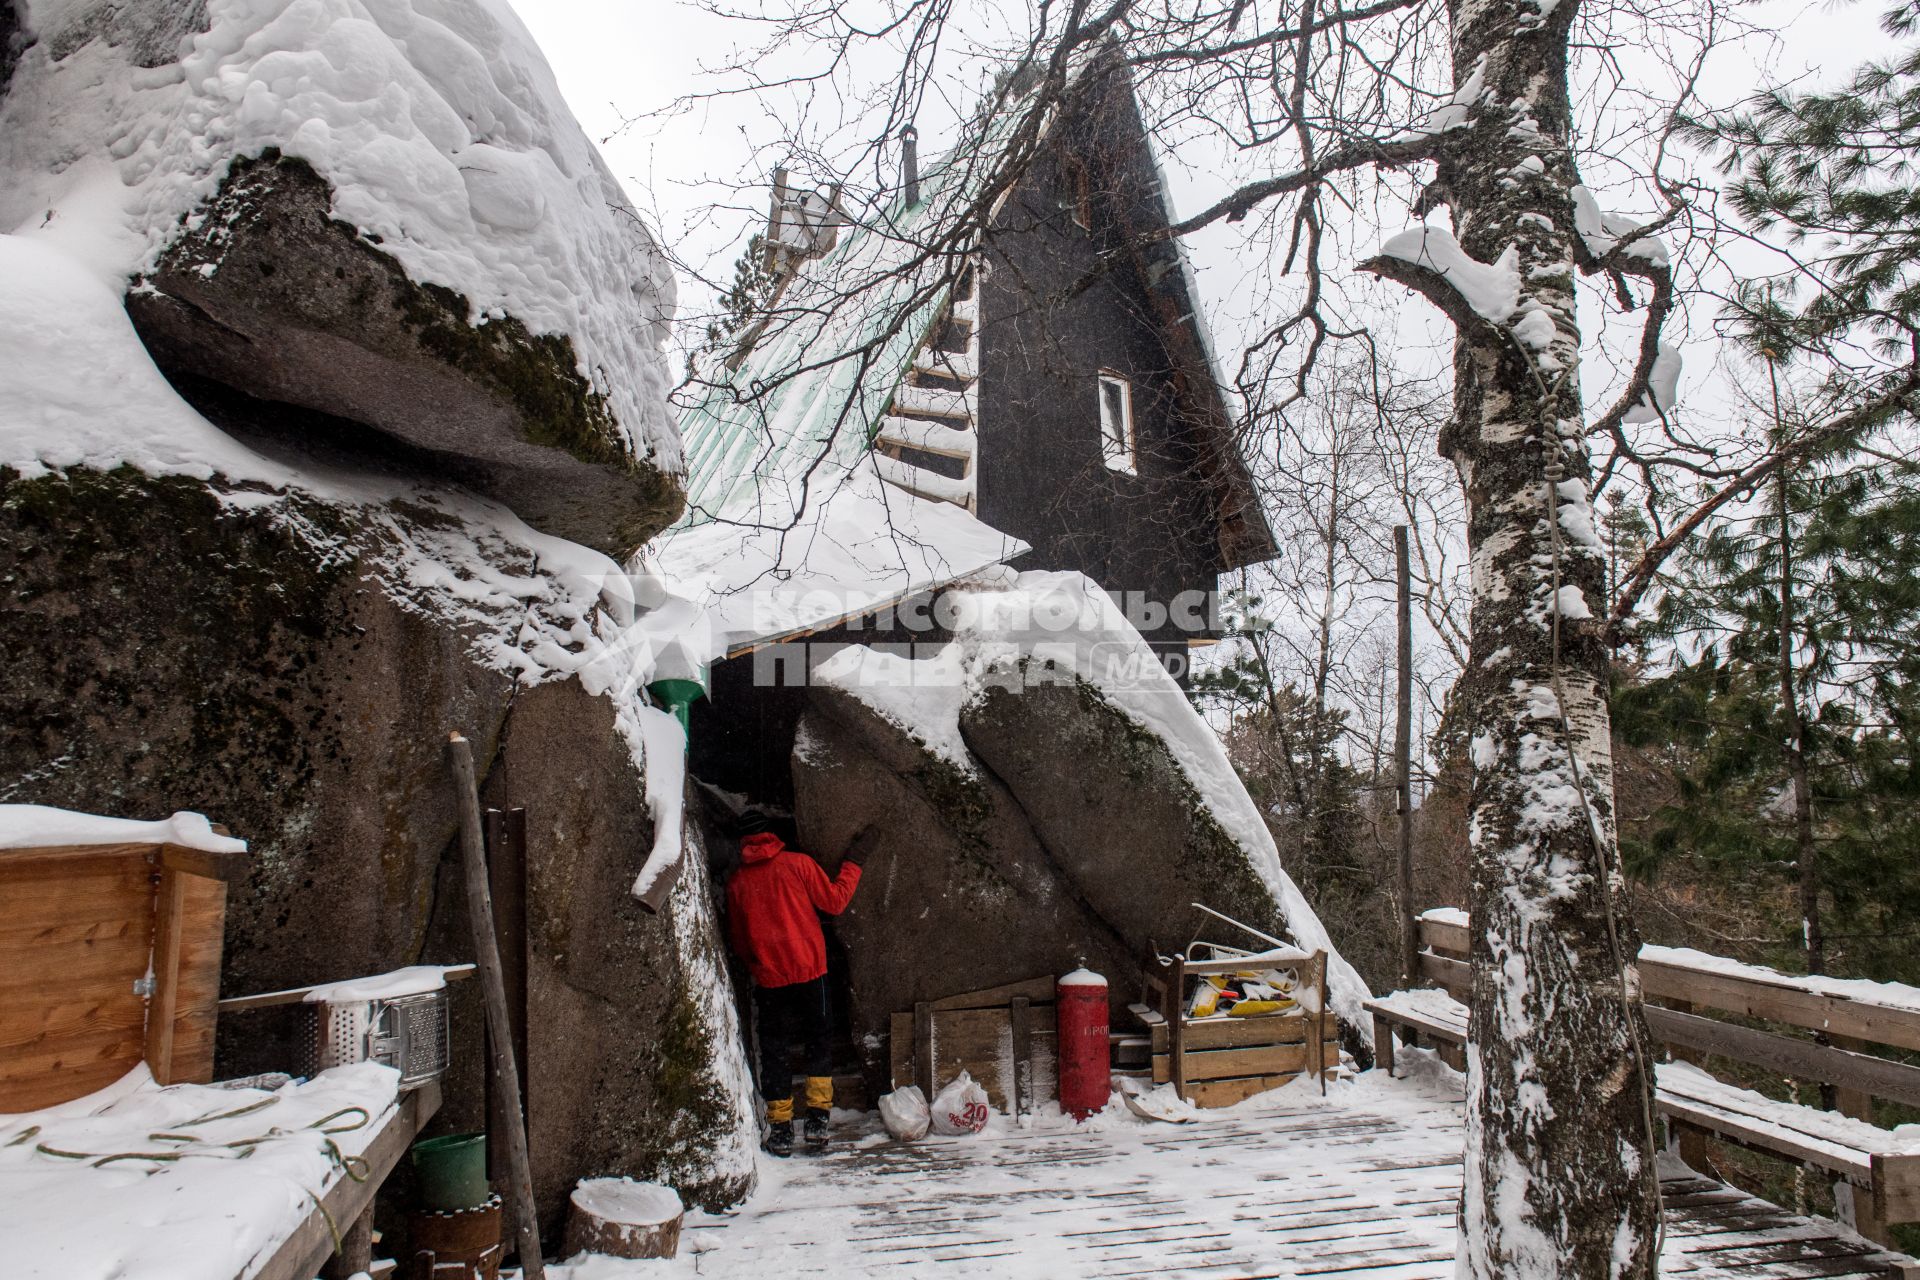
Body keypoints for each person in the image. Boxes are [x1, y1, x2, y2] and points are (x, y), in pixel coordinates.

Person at [724, 811, 864, 1156]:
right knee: (818, 1041)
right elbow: (834, 901)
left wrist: (757, 963)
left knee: (775, 1050)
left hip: (770, 977)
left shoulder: (738, 884)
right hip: (811, 970)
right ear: (773, 836)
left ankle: (782, 1128)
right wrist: (854, 864)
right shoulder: (798, 865)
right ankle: (817, 1120)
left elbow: (739, 941)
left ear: (743, 843)